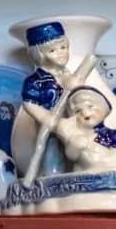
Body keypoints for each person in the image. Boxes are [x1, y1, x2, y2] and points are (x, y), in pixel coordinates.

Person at [20, 21, 86, 177]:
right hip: (52, 130)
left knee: (80, 155)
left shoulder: (69, 75)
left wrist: (77, 86)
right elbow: (29, 103)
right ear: (39, 54)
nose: (61, 53)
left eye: (64, 47)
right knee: (53, 158)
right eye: (52, 50)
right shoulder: (35, 80)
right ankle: (53, 179)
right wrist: (47, 118)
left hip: (75, 126)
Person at [27, 86, 116, 174]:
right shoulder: (70, 130)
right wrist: (29, 102)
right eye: (78, 111)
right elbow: (46, 118)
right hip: (89, 175)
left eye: (90, 106)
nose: (85, 113)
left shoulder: (111, 133)